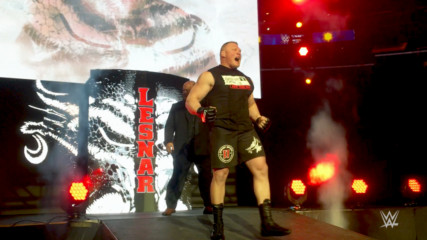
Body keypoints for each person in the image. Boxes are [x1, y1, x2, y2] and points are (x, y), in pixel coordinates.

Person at [185, 41, 291, 239]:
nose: (239, 52)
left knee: (261, 168)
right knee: (221, 174)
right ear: (223, 53)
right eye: (235, 49)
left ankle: (266, 223)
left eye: (240, 50)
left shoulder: (246, 79)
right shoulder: (211, 75)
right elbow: (191, 100)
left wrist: (258, 118)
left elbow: (250, 104)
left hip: (245, 131)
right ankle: (218, 227)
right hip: (222, 130)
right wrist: (200, 111)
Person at [162, 81, 213, 216]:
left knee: (207, 177)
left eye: (188, 90)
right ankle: (170, 205)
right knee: (178, 176)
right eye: (183, 90)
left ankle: (209, 205)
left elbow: (214, 125)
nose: (184, 93)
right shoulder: (176, 107)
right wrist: (168, 141)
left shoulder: (206, 106)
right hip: (182, 149)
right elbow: (169, 126)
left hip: (202, 148)